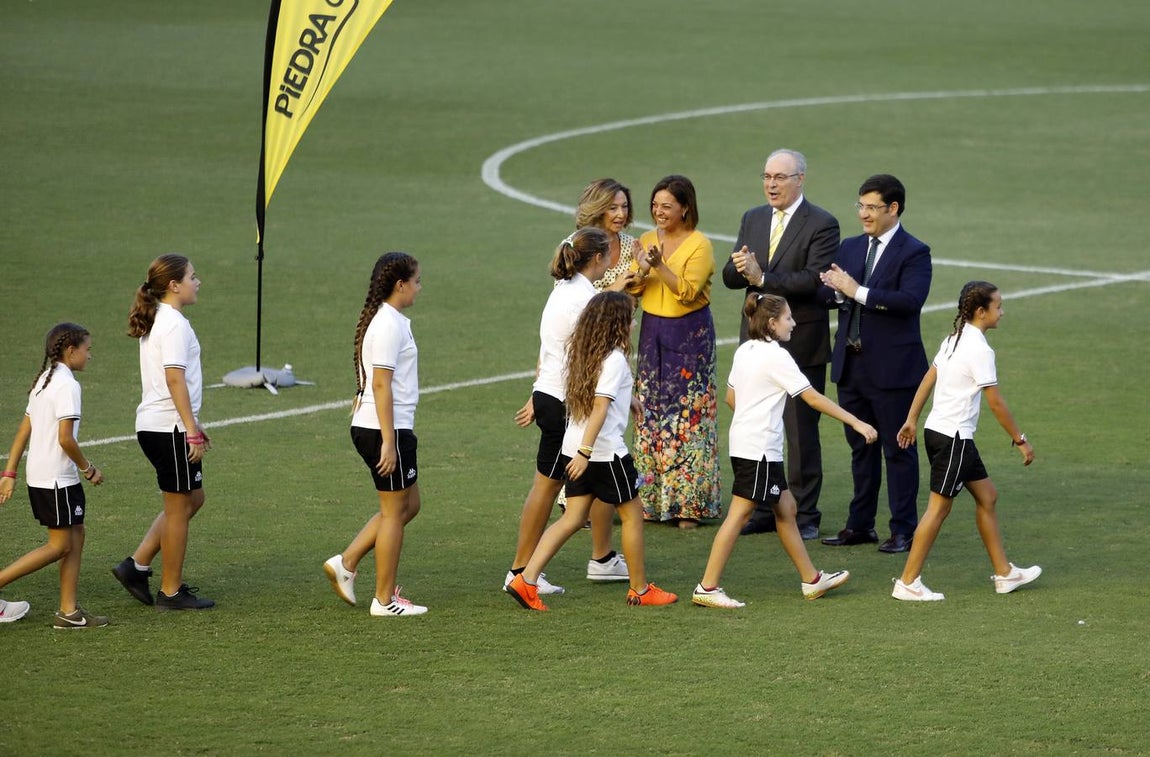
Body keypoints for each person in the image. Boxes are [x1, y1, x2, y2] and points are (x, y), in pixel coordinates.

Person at [691, 295, 876, 609]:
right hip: (760, 449)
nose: (794, 323)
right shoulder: (777, 357)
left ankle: (812, 580)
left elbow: (731, 399)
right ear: (772, 323)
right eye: (788, 318)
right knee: (739, 515)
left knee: (786, 508)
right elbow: (813, 399)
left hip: (745, 444)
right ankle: (707, 586)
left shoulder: (744, 350)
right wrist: (856, 421)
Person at [506, 292, 679, 611]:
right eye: (629, 318)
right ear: (616, 325)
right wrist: (587, 451)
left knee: (571, 518)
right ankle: (640, 589)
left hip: (572, 446)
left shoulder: (581, 353)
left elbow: (593, 393)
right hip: (603, 452)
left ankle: (525, 579)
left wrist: (629, 400)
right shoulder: (614, 359)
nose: (634, 322)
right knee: (632, 515)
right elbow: (600, 407)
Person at [892, 281, 1040, 601]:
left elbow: (929, 378)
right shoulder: (979, 349)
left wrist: (912, 419)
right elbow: (996, 402)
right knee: (938, 509)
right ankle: (907, 582)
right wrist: (1020, 440)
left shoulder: (953, 340)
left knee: (987, 495)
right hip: (953, 438)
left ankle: (1004, 573)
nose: (1002, 311)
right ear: (980, 312)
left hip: (941, 432)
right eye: (998, 306)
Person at [722, 149, 840, 540]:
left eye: (780, 177)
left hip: (800, 341)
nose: (771, 184)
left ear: (800, 179)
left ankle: (805, 514)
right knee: (756, 425)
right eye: (767, 176)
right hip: (756, 346)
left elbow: (812, 280)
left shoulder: (822, 224)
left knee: (800, 431)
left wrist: (763, 277)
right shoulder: (752, 218)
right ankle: (761, 506)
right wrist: (742, 271)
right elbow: (731, 275)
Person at [508, 227, 629, 595]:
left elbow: (550, 349)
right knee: (550, 489)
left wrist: (535, 393)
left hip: (549, 394)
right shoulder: (584, 298)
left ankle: (595, 559)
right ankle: (522, 571)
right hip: (564, 403)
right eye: (609, 254)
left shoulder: (564, 290)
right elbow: (588, 354)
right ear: (598, 258)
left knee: (550, 488)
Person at [819, 174, 932, 554]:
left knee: (898, 451)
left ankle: (904, 529)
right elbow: (831, 293)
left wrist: (856, 291)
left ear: (893, 208)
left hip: (894, 371)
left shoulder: (914, 252)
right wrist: (835, 292)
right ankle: (859, 525)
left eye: (871, 207)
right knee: (860, 448)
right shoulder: (850, 247)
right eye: (861, 206)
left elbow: (909, 301)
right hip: (851, 367)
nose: (864, 214)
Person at [323, 252, 428, 617]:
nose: (419, 286)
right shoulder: (388, 325)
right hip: (386, 429)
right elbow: (381, 385)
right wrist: (388, 440)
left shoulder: (390, 320)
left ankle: (346, 563)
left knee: (407, 505)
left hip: (387, 427)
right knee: (395, 512)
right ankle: (384, 600)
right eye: (416, 280)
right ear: (400, 285)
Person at [113, 254, 215, 610]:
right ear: (174, 285)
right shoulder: (173, 324)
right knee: (178, 509)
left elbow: (171, 381)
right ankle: (170, 592)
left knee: (192, 500)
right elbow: (174, 378)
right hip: (168, 428)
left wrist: (194, 423)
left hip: (161, 425)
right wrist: (190, 430)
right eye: (192, 276)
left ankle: (135, 565)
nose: (197, 281)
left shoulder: (162, 319)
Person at [628, 174, 721, 528]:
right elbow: (638, 288)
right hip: (652, 333)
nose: (659, 212)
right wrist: (639, 273)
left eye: (667, 206)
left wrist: (658, 265)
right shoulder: (647, 239)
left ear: (685, 208)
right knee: (649, 413)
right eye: (655, 205)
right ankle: (650, 500)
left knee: (687, 417)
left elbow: (686, 292)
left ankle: (688, 506)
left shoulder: (700, 245)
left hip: (688, 336)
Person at [0, 323, 107, 628]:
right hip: (57, 478)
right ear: (71, 351)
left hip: (46, 476)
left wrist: (10, 472)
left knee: (77, 534)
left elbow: (23, 431)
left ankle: (69, 611)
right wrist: (89, 469)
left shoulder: (45, 380)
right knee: (59, 545)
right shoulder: (67, 386)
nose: (90, 355)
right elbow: (66, 439)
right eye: (87, 349)